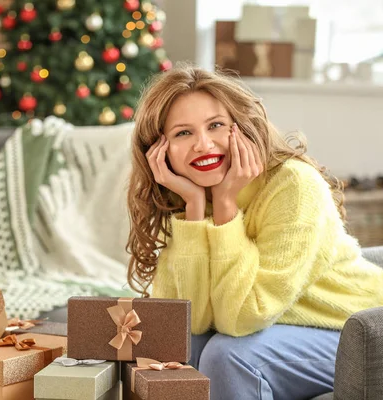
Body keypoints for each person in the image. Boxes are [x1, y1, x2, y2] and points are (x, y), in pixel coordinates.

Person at [126, 64, 383, 400]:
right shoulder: (192, 195)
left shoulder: (294, 186)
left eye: (215, 125)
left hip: (358, 332)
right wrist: (191, 208)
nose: (203, 145)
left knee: (228, 355)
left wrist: (226, 208)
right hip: (284, 328)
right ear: (160, 150)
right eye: (183, 133)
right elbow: (186, 320)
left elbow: (242, 317)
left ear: (241, 128)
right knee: (182, 346)